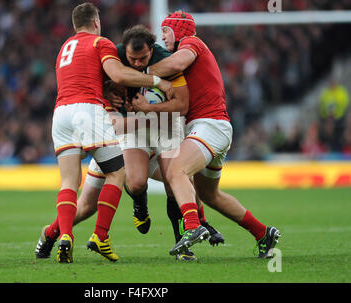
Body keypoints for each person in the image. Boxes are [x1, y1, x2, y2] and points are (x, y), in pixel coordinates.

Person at [35, 25, 224, 262]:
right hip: (120, 137)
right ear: (125, 51)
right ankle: (53, 233)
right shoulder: (114, 59)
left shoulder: (166, 60)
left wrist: (148, 110)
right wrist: (112, 96)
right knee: (90, 204)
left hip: (164, 128)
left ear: (151, 50)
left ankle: (185, 243)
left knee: (175, 180)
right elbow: (112, 118)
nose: (136, 64)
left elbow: (182, 106)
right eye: (132, 59)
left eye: (142, 58)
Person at [36, 3, 174, 263]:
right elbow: (119, 74)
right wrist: (158, 81)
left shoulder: (65, 47)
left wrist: (106, 87)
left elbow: (92, 77)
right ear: (96, 22)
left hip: (61, 113)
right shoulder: (101, 43)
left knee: (68, 182)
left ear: (75, 25)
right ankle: (100, 235)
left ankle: (64, 235)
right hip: (88, 111)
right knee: (118, 171)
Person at [147, 11, 280, 258]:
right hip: (212, 128)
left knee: (176, 171)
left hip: (208, 126)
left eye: (165, 30)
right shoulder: (180, 53)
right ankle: (263, 233)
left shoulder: (191, 43)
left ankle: (192, 226)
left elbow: (176, 64)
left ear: (178, 30)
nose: (161, 36)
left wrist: (142, 71)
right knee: (209, 194)